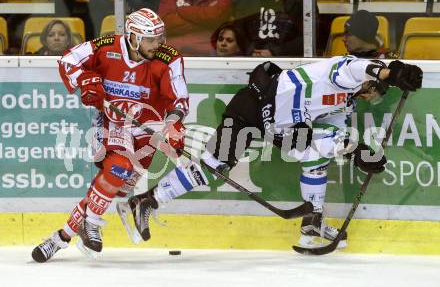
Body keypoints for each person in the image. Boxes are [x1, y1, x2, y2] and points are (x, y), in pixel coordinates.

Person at [117, 57, 423, 249]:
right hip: (252, 108)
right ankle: (146, 200)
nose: (371, 97)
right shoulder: (348, 73)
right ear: (370, 84)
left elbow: (332, 137)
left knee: (317, 154)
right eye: (374, 91)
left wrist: (359, 153)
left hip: (283, 123)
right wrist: (389, 72)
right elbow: (355, 65)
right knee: (213, 165)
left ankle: (313, 220)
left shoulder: (347, 102)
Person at [31, 8, 206, 262]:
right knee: (118, 168)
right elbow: (68, 61)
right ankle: (92, 223)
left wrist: (173, 124)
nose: (157, 44)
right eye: (150, 39)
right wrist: (86, 80)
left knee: (116, 187)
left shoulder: (169, 58)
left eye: (160, 38)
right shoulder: (106, 47)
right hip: (113, 121)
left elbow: (178, 98)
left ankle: (61, 236)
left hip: (147, 128)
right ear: (133, 37)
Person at [231, 0, 319, 57]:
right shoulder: (249, 0)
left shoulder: (303, 0)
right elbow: (238, 30)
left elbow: (311, 35)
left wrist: (276, 52)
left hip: (289, 62)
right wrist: (251, 50)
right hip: (251, 60)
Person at [158, 0, 233, 56]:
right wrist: (205, 21)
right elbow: (165, 24)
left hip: (207, 56)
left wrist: (182, 10)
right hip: (172, 54)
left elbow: (216, 17)